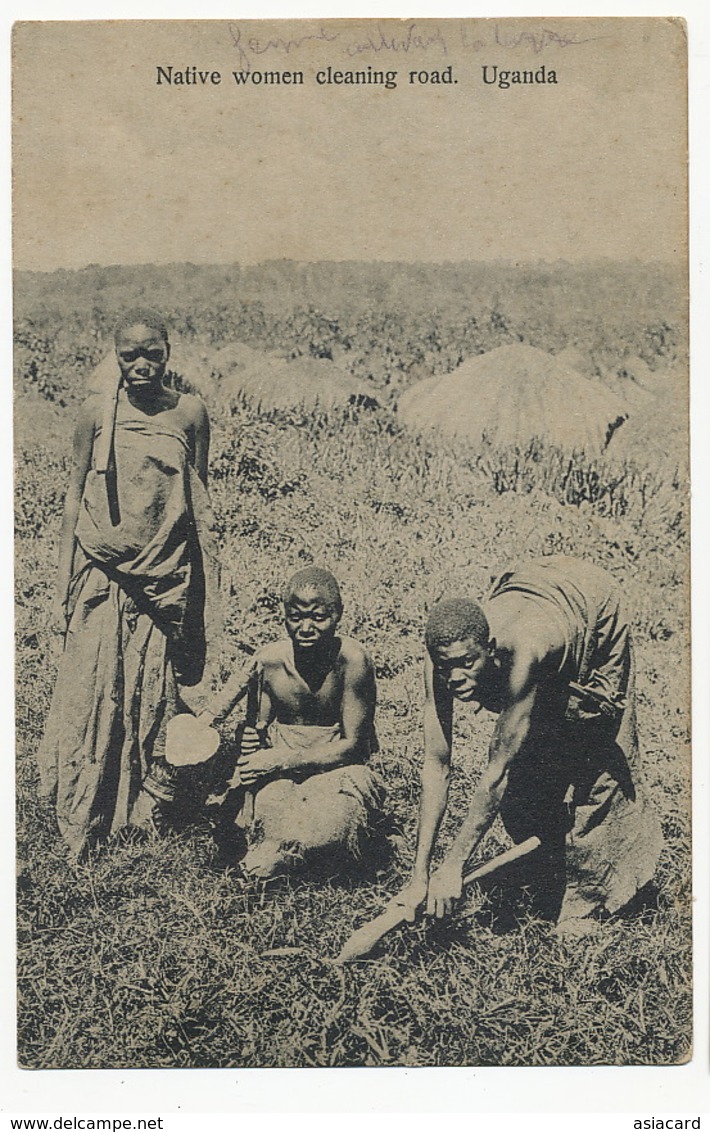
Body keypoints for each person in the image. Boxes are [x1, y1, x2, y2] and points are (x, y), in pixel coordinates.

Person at [396, 555, 664, 937]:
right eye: (446, 667)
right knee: (532, 758)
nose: (455, 677)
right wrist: (419, 874)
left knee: (597, 747)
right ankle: (551, 864)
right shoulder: (442, 662)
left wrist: (453, 864)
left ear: (489, 648)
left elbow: (497, 770)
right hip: (534, 586)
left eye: (467, 663)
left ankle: (592, 903)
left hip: (591, 601)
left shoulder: (523, 653)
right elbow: (436, 765)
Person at [37, 308, 213, 856]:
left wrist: (199, 591)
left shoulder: (189, 413)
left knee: (153, 689)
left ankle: (145, 808)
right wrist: (60, 583)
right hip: (101, 572)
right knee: (95, 687)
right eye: (129, 354)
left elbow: (199, 504)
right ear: (114, 355)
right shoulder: (96, 413)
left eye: (152, 353)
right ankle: (88, 805)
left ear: (169, 352)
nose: (141, 364)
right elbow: (72, 498)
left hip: (164, 578)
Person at [201, 566, 386, 879]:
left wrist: (281, 759)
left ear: (338, 614)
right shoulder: (270, 661)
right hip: (280, 773)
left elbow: (354, 746)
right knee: (273, 810)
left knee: (329, 824)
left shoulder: (353, 661)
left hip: (336, 768)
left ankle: (283, 861)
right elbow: (254, 729)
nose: (306, 628)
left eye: (318, 617)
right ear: (283, 615)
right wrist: (252, 744)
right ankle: (275, 861)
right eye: (296, 617)